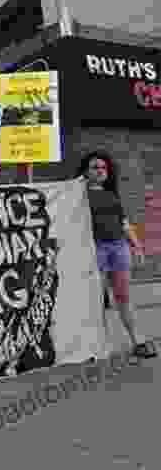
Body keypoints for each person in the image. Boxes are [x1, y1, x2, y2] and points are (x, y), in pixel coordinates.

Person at [77, 151, 157, 359]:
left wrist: (137, 246)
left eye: (104, 167)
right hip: (96, 249)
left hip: (118, 248)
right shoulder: (78, 195)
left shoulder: (111, 193)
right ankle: (98, 345)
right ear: (85, 172)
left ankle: (138, 341)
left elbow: (124, 223)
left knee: (123, 296)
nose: (100, 171)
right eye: (95, 167)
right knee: (96, 300)